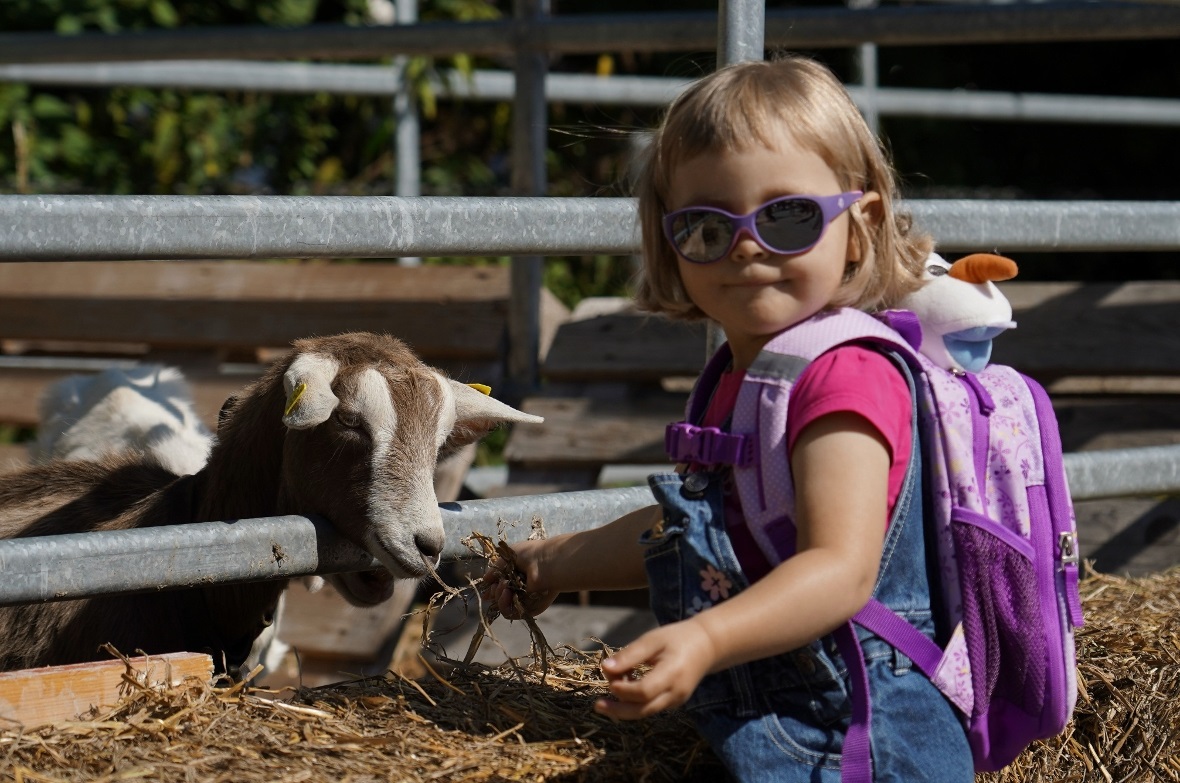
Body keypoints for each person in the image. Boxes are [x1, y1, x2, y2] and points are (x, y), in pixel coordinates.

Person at [481, 54, 974, 782]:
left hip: (863, 742)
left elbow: (839, 569)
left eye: (788, 217)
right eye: (707, 228)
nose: (746, 245)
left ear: (860, 224)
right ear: (669, 241)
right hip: (780, 726)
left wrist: (705, 639)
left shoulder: (848, 377)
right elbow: (708, 533)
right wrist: (554, 560)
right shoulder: (741, 379)